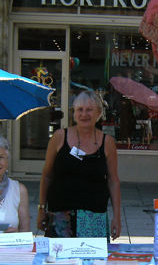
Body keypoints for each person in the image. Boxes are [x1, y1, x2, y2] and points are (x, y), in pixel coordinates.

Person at [37, 90, 121, 241]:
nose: (84, 114)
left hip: (94, 216)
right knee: (59, 262)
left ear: (99, 113)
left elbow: (113, 181)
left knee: (93, 262)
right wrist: (42, 208)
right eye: (80, 110)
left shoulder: (107, 142)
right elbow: (47, 175)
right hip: (61, 215)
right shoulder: (59, 137)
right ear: (74, 113)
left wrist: (117, 216)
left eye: (89, 110)